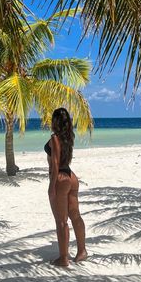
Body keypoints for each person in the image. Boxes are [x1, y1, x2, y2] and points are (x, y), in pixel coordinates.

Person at [44, 107, 87, 266]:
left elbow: (55, 164)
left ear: (55, 121)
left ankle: (63, 258)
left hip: (61, 178)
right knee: (75, 215)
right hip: (71, 176)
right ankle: (82, 251)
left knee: (61, 221)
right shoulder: (68, 137)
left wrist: (51, 186)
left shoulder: (55, 138)